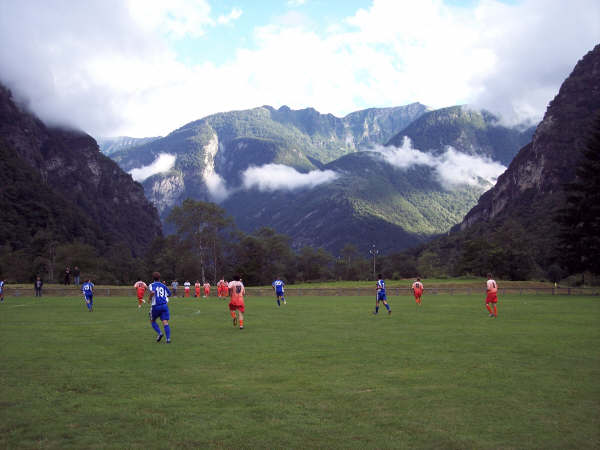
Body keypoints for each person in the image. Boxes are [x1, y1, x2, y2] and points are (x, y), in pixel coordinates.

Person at [148, 271, 172, 343]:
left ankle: (160, 333)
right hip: (164, 305)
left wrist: (149, 299)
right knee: (165, 322)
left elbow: (152, 292)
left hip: (156, 306)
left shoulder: (151, 285)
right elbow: (169, 294)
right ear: (159, 278)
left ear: (153, 278)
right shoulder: (163, 285)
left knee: (152, 320)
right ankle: (168, 339)